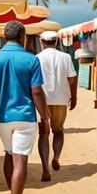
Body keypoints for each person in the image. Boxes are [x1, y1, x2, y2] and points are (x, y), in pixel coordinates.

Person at [0, 21, 50, 194]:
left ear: (5, 37)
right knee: (20, 161)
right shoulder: (31, 60)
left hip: (3, 118)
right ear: (23, 37)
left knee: (9, 156)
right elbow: (37, 91)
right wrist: (45, 117)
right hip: (25, 117)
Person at [36, 31, 78, 181]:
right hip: (60, 98)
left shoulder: (37, 58)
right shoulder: (65, 57)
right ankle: (56, 157)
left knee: (44, 133)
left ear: (41, 42)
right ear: (57, 42)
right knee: (58, 130)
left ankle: (45, 168)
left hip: (42, 101)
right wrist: (73, 97)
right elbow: (72, 78)